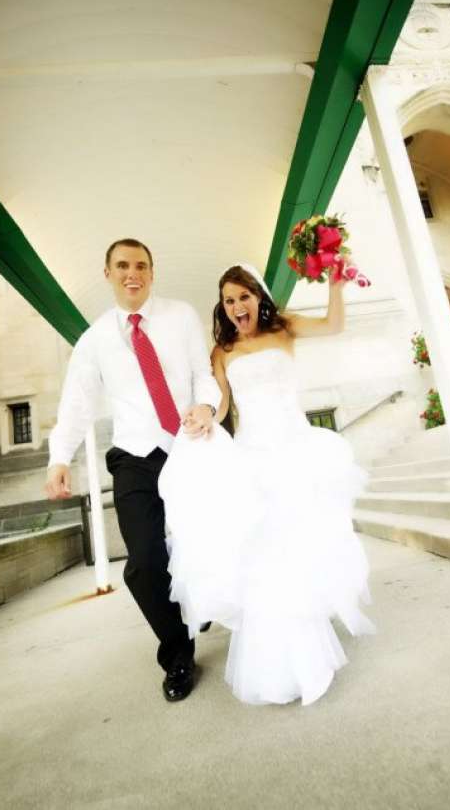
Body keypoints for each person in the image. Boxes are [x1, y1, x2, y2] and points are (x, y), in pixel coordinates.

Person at [159, 263, 375, 706]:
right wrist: (203, 415)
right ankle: (288, 650)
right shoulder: (222, 350)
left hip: (296, 450)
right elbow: (221, 405)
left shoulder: (286, 327)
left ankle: (309, 620)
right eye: (229, 300)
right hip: (254, 457)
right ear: (223, 307)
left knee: (302, 540)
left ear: (259, 296)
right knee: (267, 551)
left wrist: (336, 280)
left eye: (244, 296)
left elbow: (334, 325)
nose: (237, 306)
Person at [45, 238, 220, 702]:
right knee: (144, 563)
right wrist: (59, 457)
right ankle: (178, 654)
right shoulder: (95, 339)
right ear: (107, 273)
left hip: (186, 445)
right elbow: (77, 403)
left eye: (140, 265)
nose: (132, 273)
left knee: (206, 543)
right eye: (122, 265)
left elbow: (203, 373)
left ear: (152, 271)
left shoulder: (180, 316)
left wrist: (205, 404)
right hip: (133, 457)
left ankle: (202, 604)